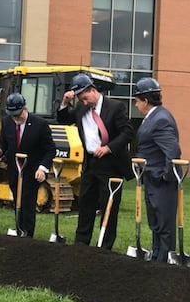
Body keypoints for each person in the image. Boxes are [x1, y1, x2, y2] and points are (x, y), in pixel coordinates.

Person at [57, 73, 133, 249]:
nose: (84, 102)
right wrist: (65, 103)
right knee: (85, 203)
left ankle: (104, 245)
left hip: (111, 164)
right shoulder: (82, 109)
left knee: (109, 206)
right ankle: (81, 242)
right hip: (90, 163)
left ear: (93, 91)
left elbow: (127, 133)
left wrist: (108, 148)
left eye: (85, 98)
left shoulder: (115, 107)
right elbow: (63, 119)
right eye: (80, 100)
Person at [0, 93, 56, 237]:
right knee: (17, 200)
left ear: (24, 109)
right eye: (12, 116)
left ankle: (27, 233)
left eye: (17, 115)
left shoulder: (40, 124)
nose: (15, 119)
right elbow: (4, 143)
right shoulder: (7, 122)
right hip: (14, 169)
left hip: (32, 170)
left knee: (28, 201)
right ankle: (19, 228)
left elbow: (50, 150)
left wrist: (42, 168)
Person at [133, 77, 181, 263]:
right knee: (155, 221)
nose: (136, 105)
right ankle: (156, 255)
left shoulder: (160, 120)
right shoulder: (152, 118)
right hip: (151, 178)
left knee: (163, 222)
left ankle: (164, 259)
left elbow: (173, 151)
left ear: (145, 100)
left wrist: (165, 176)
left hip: (161, 181)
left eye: (137, 101)